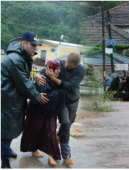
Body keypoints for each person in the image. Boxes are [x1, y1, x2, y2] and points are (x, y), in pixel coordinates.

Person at [1, 31, 49, 168]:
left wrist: (35, 77)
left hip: (14, 98)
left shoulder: (21, 57)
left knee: (10, 127)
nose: (35, 48)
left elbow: (24, 77)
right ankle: (4, 161)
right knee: (6, 129)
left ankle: (7, 151)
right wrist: (37, 97)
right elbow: (23, 83)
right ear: (23, 44)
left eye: (36, 45)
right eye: (32, 45)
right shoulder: (15, 60)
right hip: (10, 99)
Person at [36, 52, 86, 166]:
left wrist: (52, 78)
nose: (66, 66)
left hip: (73, 101)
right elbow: (47, 69)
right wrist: (37, 74)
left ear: (76, 65)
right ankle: (66, 155)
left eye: (69, 65)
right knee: (66, 123)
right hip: (62, 101)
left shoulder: (81, 70)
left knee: (66, 126)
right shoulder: (61, 63)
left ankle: (54, 147)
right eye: (66, 62)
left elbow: (70, 85)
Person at [21, 59, 67, 166]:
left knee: (50, 133)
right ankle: (33, 149)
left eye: (59, 69)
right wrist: (59, 93)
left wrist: (60, 92)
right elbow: (43, 97)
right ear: (50, 69)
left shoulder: (59, 77)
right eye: (56, 69)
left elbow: (66, 87)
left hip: (50, 110)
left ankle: (52, 155)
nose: (59, 71)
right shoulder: (41, 77)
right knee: (34, 131)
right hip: (37, 109)